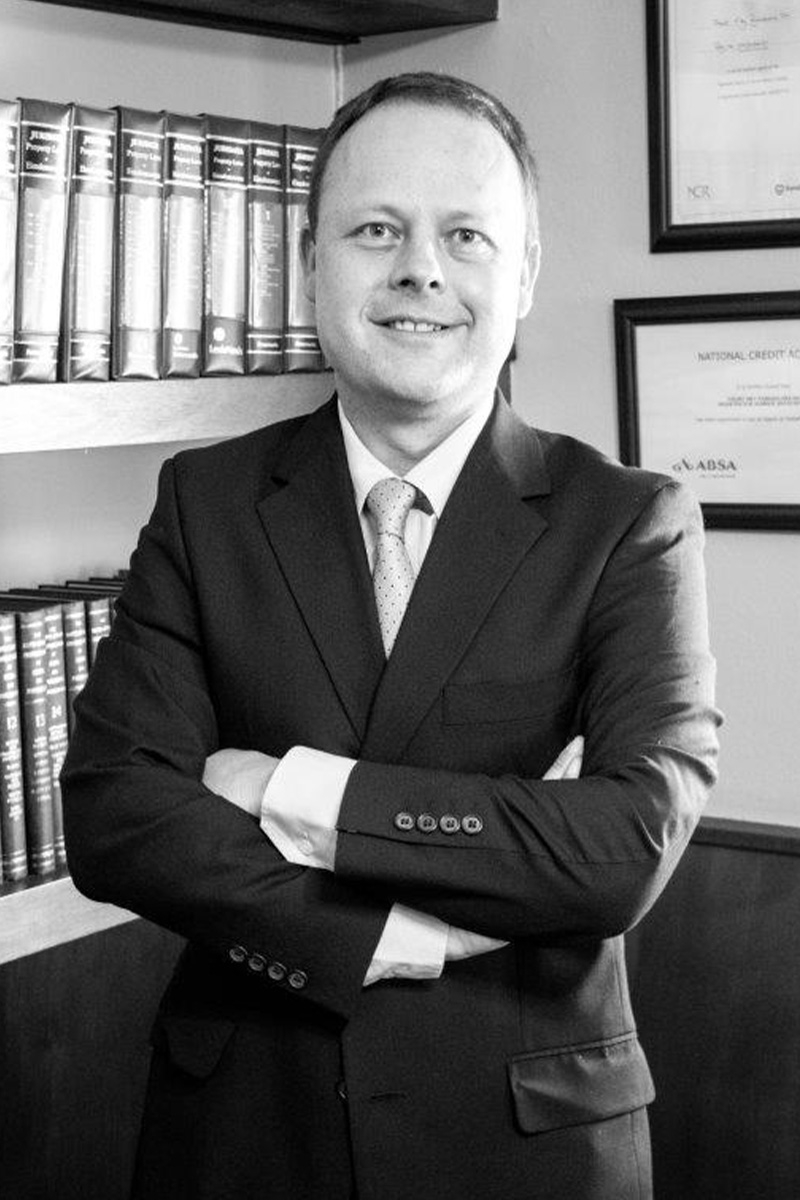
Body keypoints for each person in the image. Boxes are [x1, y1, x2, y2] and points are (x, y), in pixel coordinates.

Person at [62, 72, 721, 1200]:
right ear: (309, 261)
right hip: (243, 1131)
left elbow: (625, 843)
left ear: (522, 275)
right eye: (377, 230)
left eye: (466, 235)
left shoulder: (627, 522)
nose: (421, 269)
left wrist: (289, 789)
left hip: (525, 1144)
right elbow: (117, 814)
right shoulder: (205, 502)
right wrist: (393, 935)